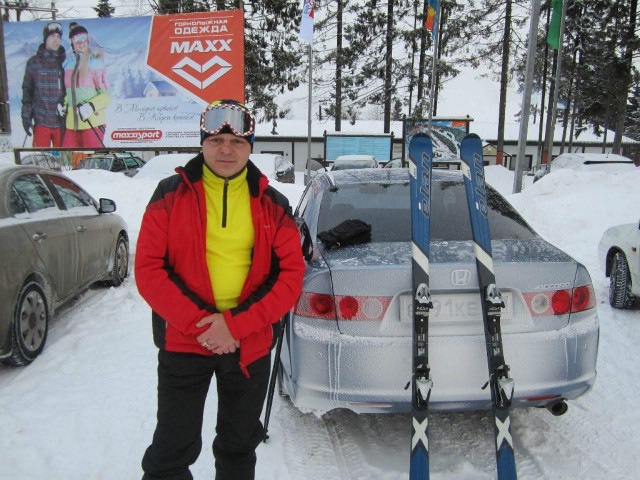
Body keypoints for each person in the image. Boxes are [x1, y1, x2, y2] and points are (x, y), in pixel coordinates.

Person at [135, 99, 305, 480]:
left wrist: (233, 326)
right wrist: (205, 327)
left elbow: (291, 277)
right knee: (171, 449)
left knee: (238, 446)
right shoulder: (169, 194)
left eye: (237, 142)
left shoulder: (274, 203)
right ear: (202, 143)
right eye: (216, 141)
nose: (226, 150)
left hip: (250, 345)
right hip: (183, 343)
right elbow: (148, 270)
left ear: (250, 146)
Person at [61, 22, 110, 148]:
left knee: (91, 161)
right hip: (72, 123)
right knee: (69, 160)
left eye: (84, 38)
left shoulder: (96, 63)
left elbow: (106, 95)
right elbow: (69, 92)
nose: (81, 42)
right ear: (72, 41)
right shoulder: (67, 65)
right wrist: (63, 103)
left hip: (92, 121)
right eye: (77, 39)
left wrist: (91, 106)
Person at [21, 21, 66, 147]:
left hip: (62, 123)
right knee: (41, 162)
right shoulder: (34, 63)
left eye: (58, 37)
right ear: (45, 38)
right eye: (52, 36)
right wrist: (26, 115)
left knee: (64, 163)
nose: (55, 40)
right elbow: (27, 91)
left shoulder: (65, 62)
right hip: (42, 121)